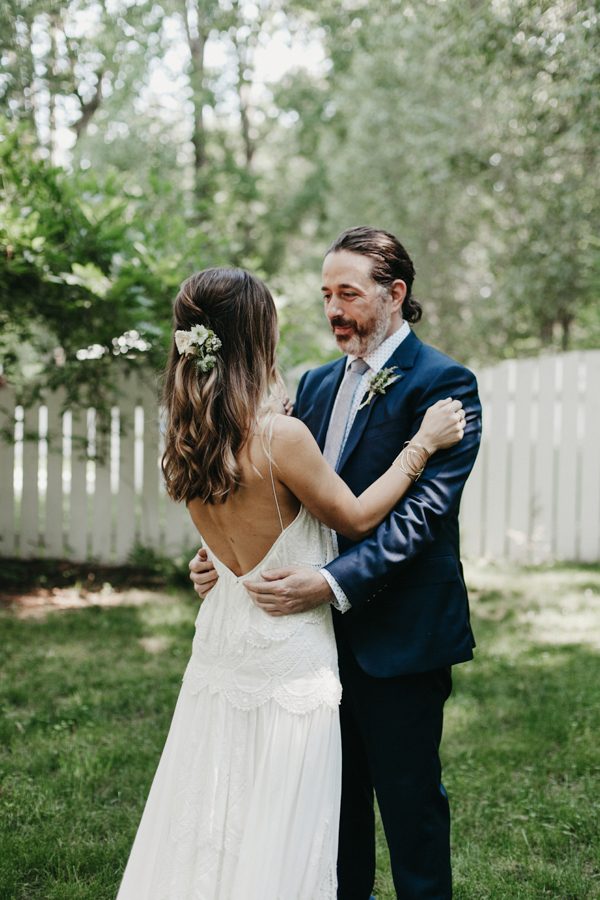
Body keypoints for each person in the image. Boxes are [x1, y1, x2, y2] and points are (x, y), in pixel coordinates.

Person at [117, 265, 465, 900]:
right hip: (289, 651)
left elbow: (237, 502)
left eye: (345, 293)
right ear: (257, 333)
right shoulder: (289, 419)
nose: (328, 308)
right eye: (320, 295)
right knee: (296, 813)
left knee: (227, 804)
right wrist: (419, 446)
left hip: (234, 639)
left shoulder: (188, 432)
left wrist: (217, 560)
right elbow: (355, 514)